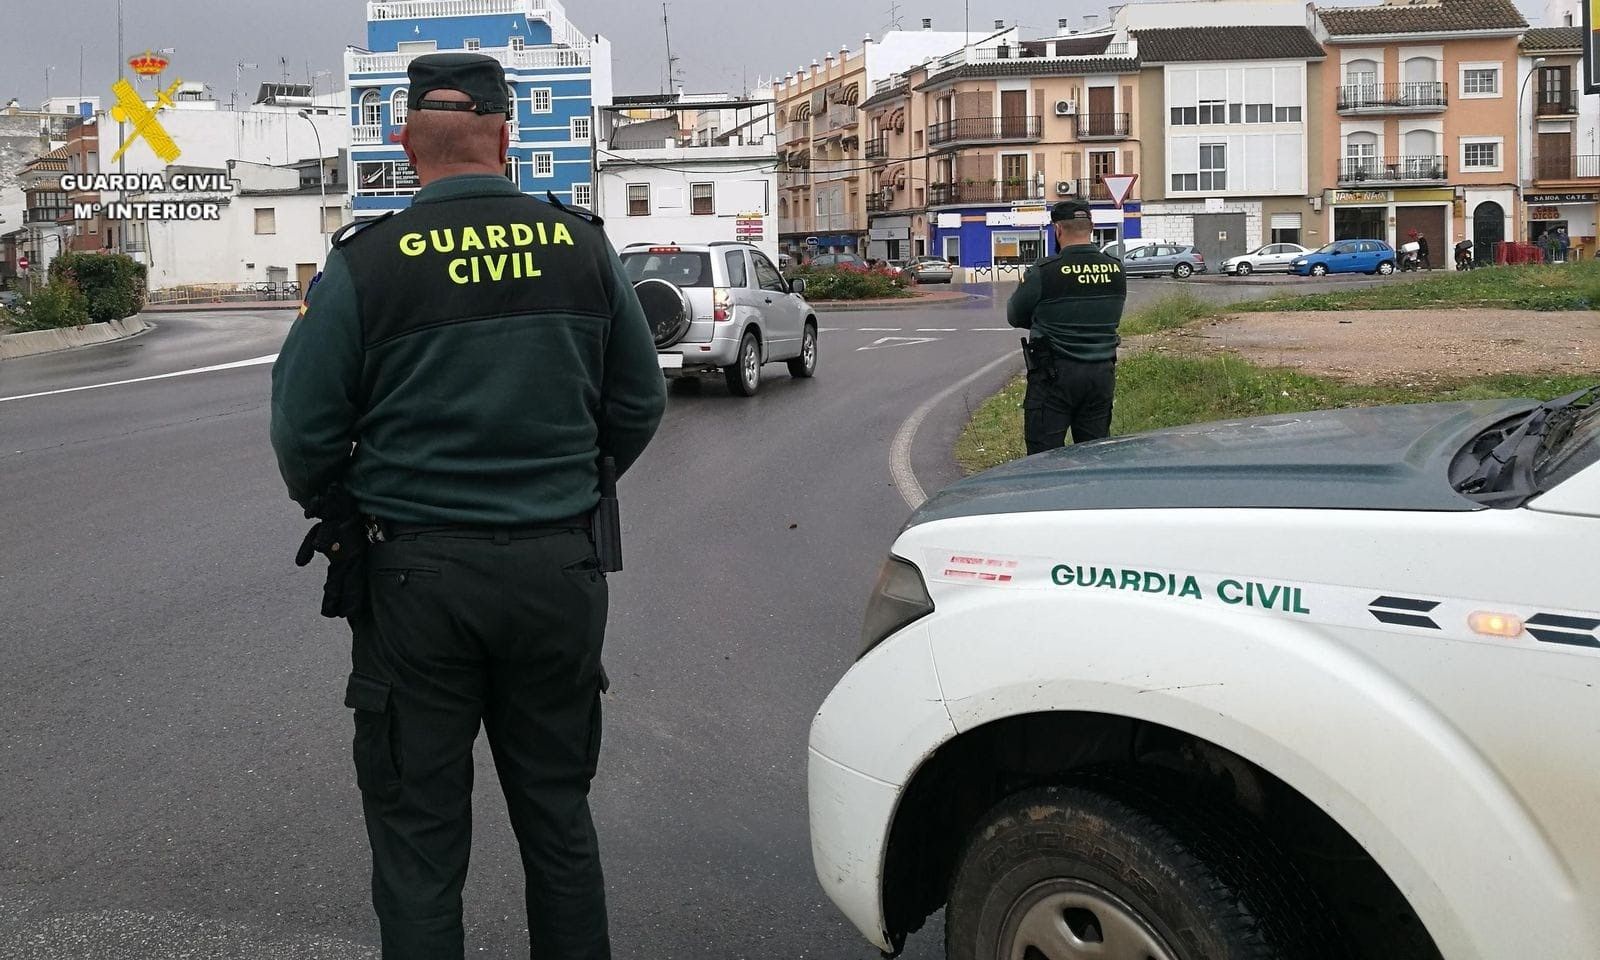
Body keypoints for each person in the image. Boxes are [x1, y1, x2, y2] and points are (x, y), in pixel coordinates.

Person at [269, 53, 667, 960]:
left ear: (407, 143)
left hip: (415, 581)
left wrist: (346, 502)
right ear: (507, 137)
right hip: (557, 569)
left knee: (418, 846)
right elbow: (639, 404)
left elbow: (302, 431)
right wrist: (569, 484)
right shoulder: (582, 247)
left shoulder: (367, 265)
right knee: (559, 824)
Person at [1006, 198, 1127, 452]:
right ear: (1091, 228)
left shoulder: (1044, 271)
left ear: (1058, 230)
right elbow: (1110, 315)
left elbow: (1015, 316)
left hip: (1054, 375)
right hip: (1101, 374)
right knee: (1096, 454)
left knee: (1044, 458)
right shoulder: (1116, 270)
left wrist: (1046, 319)